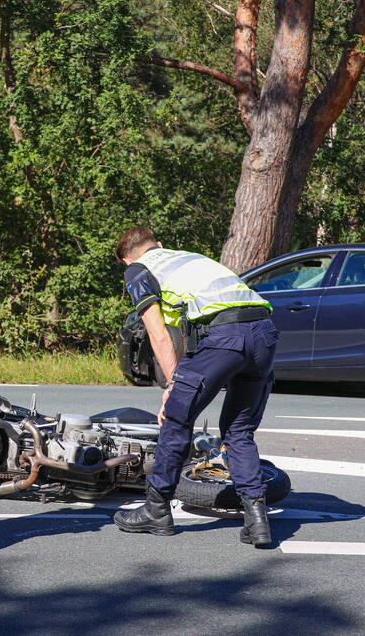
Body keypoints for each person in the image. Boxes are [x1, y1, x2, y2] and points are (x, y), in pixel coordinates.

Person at [112, 227, 279, 548]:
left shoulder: (138, 269)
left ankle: (156, 509)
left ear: (125, 259)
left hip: (226, 336)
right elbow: (183, 339)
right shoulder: (188, 258)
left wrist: (172, 389)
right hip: (265, 333)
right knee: (239, 430)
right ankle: (257, 520)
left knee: (176, 419)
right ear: (159, 244)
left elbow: (159, 335)